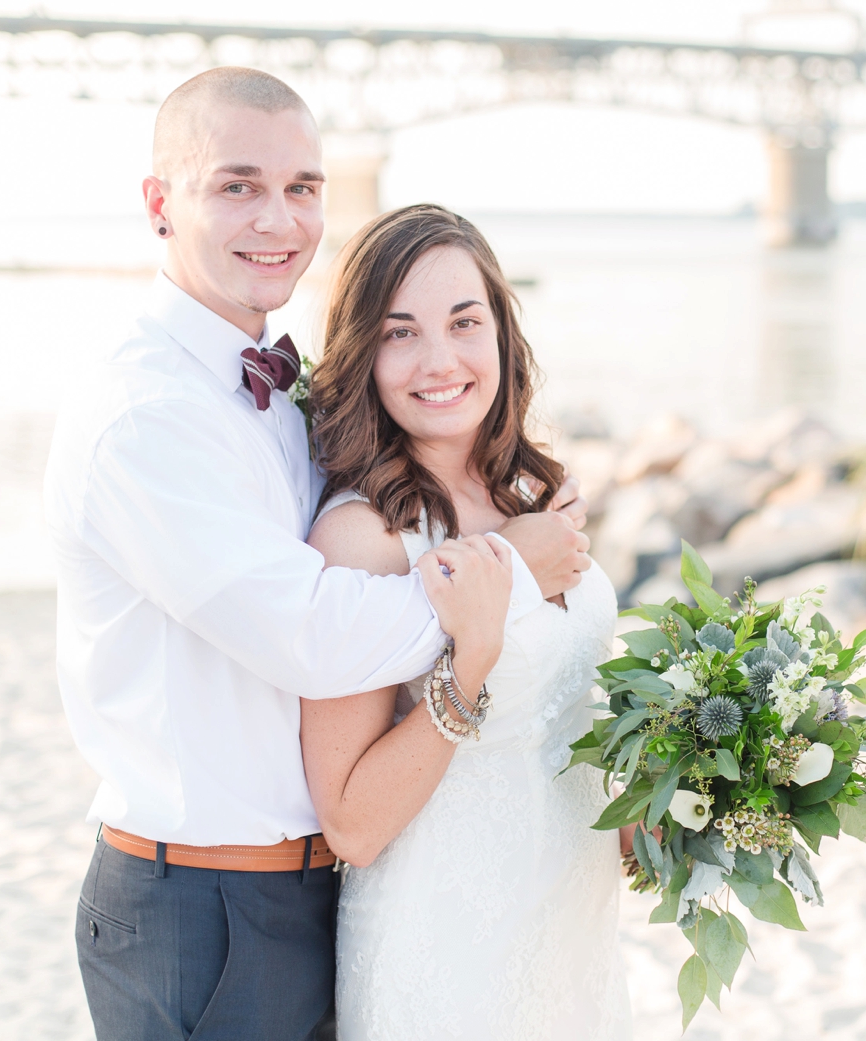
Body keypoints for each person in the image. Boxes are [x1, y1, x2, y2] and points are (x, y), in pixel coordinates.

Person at [44, 68, 590, 1041]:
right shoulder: (147, 417)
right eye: (238, 185)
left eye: (303, 187)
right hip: (200, 904)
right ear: (160, 204)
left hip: (309, 899)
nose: (280, 218)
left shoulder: (273, 397)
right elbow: (313, 635)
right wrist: (508, 571)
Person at [299, 204, 632, 1040]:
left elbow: (556, 720)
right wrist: (471, 660)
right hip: (448, 958)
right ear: (362, 354)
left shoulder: (532, 495)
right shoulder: (363, 537)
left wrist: (666, 801)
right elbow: (353, 823)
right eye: (400, 333)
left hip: (570, 939)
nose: (439, 360)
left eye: (463, 322)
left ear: (501, 335)